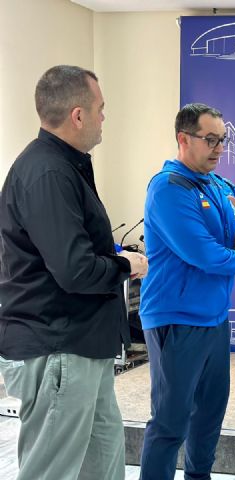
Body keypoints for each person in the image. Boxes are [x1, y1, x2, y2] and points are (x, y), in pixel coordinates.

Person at [0, 65, 148, 480]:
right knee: (52, 472)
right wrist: (126, 264)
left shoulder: (65, 167)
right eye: (100, 108)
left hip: (81, 346)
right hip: (58, 347)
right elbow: (74, 270)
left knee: (103, 467)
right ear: (78, 115)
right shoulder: (47, 172)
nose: (104, 117)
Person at [138, 103, 235, 480]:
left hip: (215, 320)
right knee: (170, 423)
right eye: (210, 139)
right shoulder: (168, 188)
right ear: (183, 139)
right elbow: (205, 255)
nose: (220, 148)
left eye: (222, 140)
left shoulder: (221, 186)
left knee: (209, 418)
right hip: (175, 320)